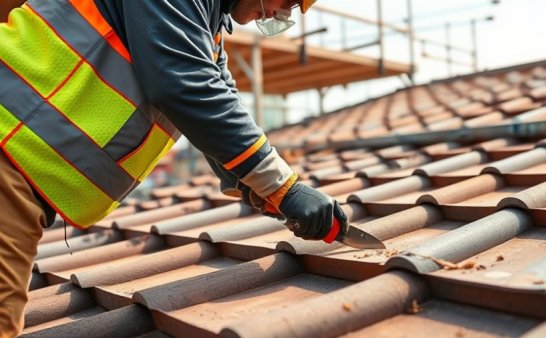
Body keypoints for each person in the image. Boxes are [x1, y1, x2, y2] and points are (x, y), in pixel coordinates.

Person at [0, 0, 348, 336]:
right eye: (288, 0)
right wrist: (283, 186)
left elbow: (213, 91)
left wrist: (257, 186)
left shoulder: (205, 24)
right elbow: (183, 81)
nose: (280, 12)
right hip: (8, 149)